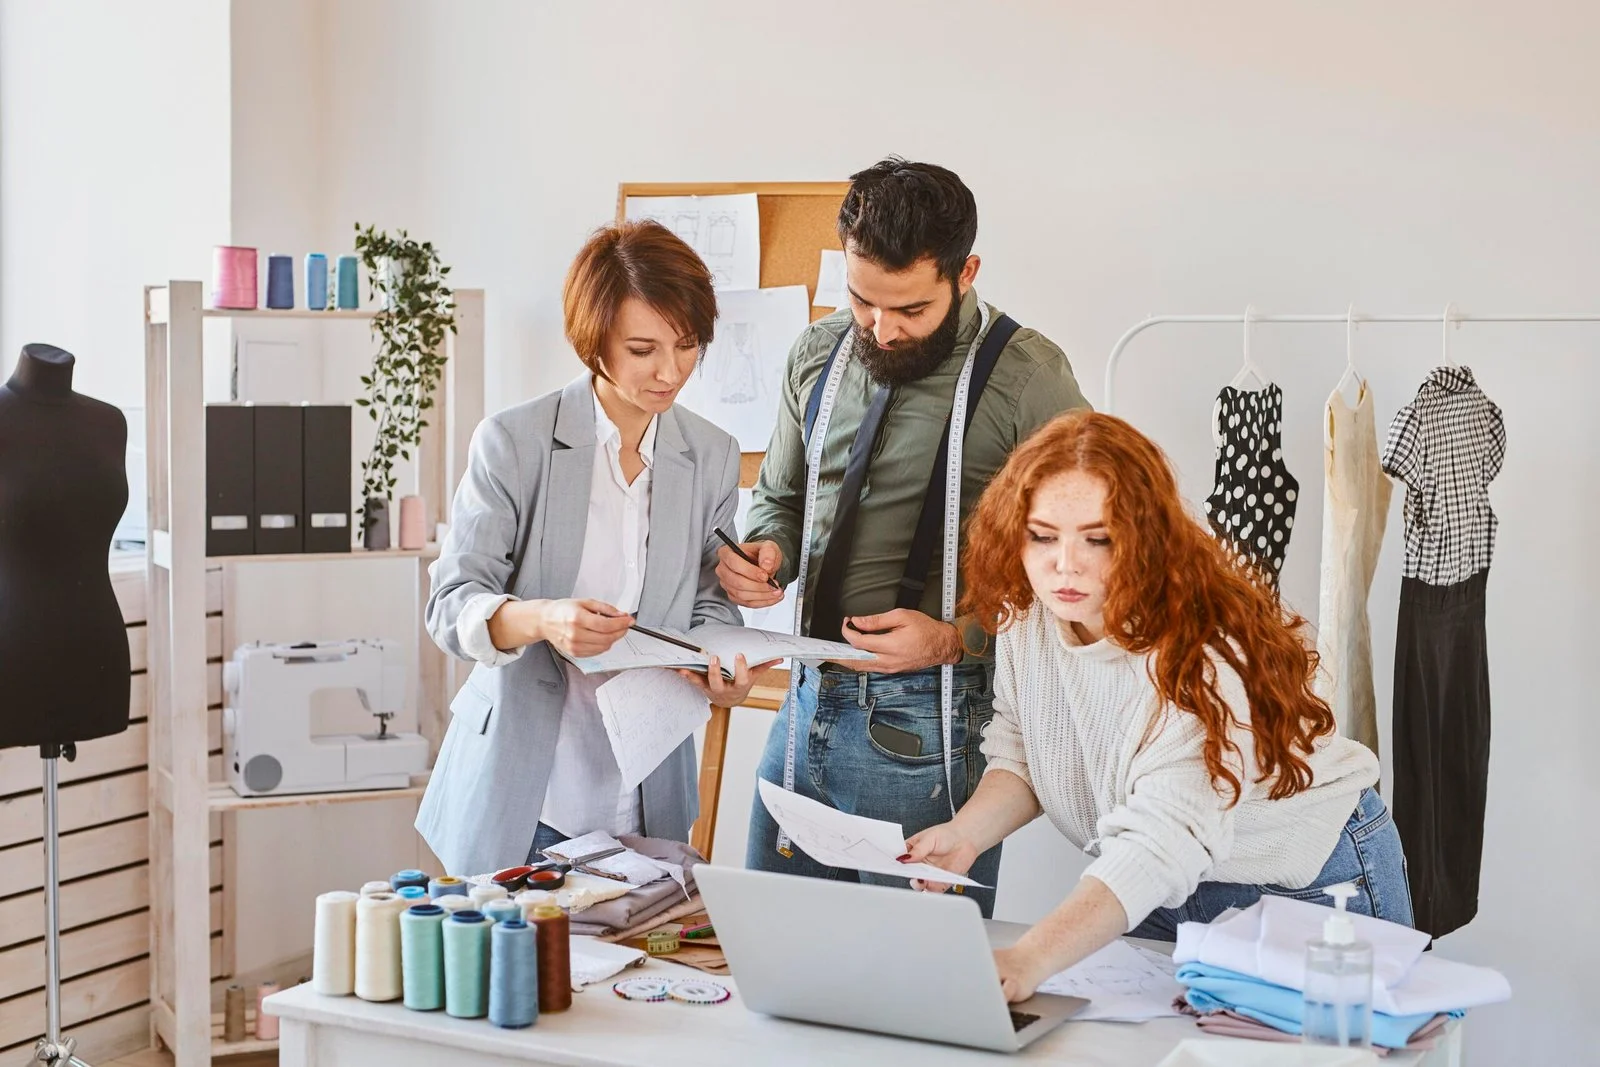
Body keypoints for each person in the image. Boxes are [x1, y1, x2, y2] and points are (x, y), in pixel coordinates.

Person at [904, 410, 1409, 1001]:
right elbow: (1025, 748)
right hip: (1147, 886)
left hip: (1299, 884)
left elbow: (1162, 841)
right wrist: (966, 834)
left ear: (1145, 537)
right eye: (1042, 536)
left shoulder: (1206, 650)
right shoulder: (1031, 612)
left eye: (1098, 539)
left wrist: (1031, 957)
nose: (1064, 565)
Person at [720, 157, 1089, 914]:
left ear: (966, 271)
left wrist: (956, 638)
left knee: (918, 991)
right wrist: (770, 551)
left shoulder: (1031, 380)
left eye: (910, 310)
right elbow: (781, 497)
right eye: (862, 301)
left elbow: (1088, 570)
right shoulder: (816, 353)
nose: (881, 330)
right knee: (775, 958)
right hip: (802, 703)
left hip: (932, 726)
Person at [416, 220, 768, 876]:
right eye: (643, 348)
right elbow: (450, 602)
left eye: (687, 345)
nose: (670, 371)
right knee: (517, 977)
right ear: (594, 341)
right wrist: (544, 619)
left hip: (645, 785)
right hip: (525, 784)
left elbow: (710, 608)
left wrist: (723, 675)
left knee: (637, 977)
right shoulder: (515, 442)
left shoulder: (711, 454)